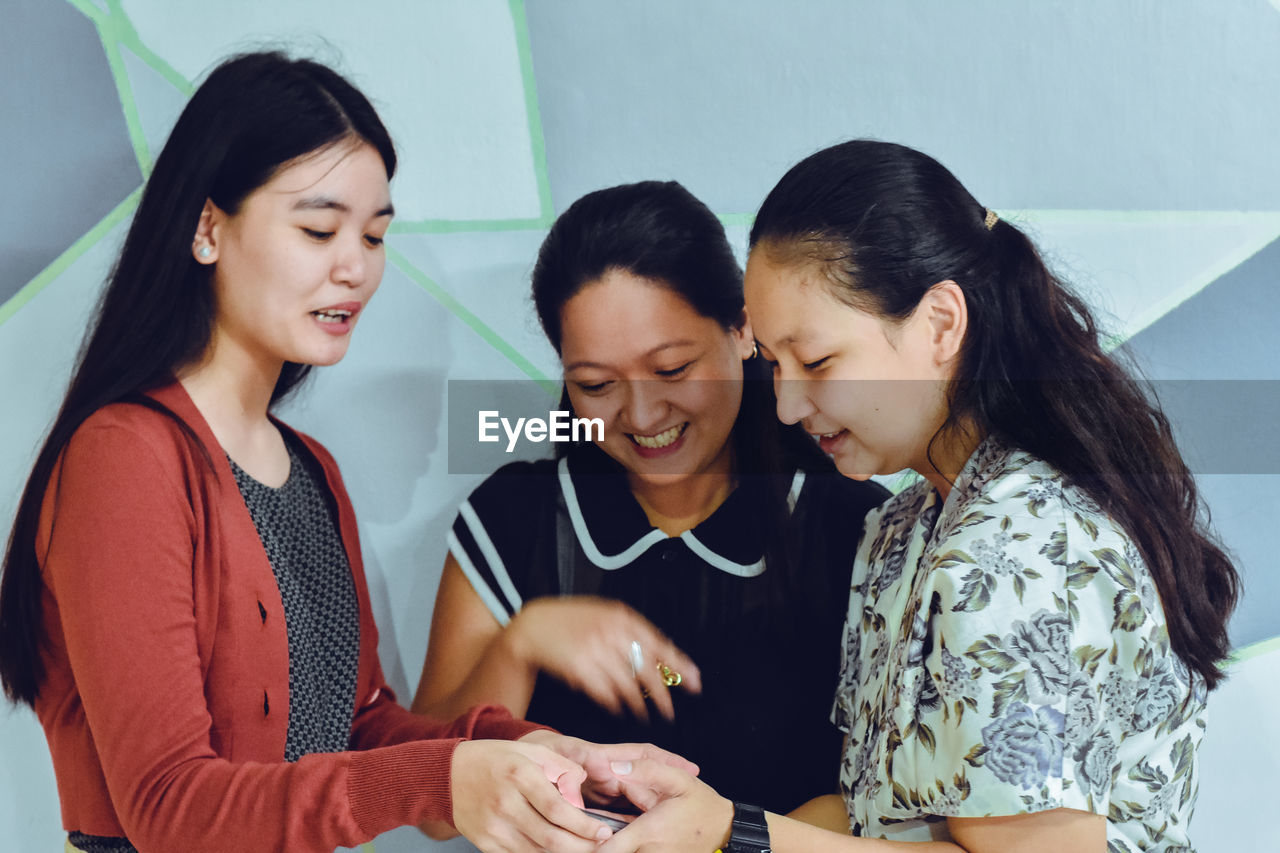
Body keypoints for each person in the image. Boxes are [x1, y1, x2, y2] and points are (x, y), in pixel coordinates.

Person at [0, 51, 687, 853]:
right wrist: (444, 777)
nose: (355, 267)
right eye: (319, 228)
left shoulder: (311, 469)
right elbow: (169, 805)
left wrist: (529, 751)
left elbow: (357, 722)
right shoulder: (126, 455)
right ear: (208, 227)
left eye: (374, 235)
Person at [590, 141, 1240, 853]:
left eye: (816, 360)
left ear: (939, 323)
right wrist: (686, 825)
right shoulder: (901, 525)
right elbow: (878, 817)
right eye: (774, 365)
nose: (786, 404)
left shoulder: (1016, 546)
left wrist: (734, 833)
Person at [412, 180, 889, 815]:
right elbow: (429, 808)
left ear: (743, 330)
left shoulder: (853, 525)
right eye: (596, 383)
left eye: (672, 370)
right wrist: (520, 645)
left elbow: (886, 805)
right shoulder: (514, 520)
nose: (640, 414)